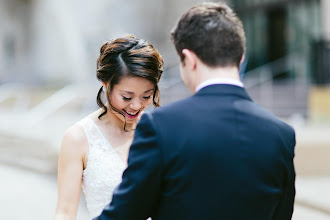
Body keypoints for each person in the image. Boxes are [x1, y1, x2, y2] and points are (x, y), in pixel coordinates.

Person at [95, 2, 296, 220]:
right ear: (241, 59)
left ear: (189, 60)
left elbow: (123, 215)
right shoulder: (281, 135)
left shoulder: (161, 126)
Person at [54, 35, 164, 219]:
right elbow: (65, 212)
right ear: (106, 84)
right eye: (127, 97)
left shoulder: (162, 130)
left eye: (146, 96)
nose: (136, 105)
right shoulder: (78, 138)